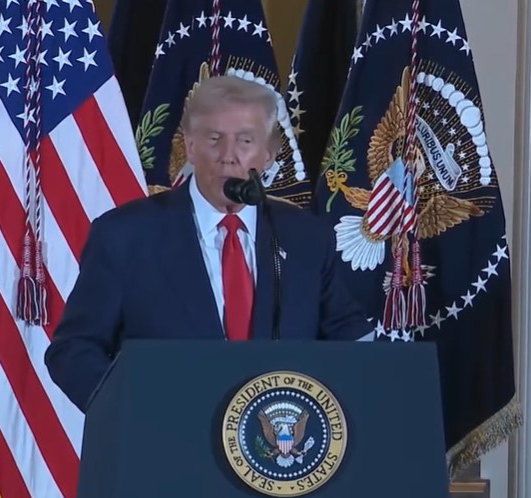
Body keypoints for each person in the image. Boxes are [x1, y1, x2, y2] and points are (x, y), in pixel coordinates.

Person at [45, 75, 373, 411]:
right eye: (214, 139)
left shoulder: (305, 238)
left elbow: (350, 337)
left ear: (270, 154)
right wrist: (132, 411)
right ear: (189, 146)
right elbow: (74, 350)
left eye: (245, 141)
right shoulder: (125, 236)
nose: (228, 156)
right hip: (166, 442)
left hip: (278, 445)